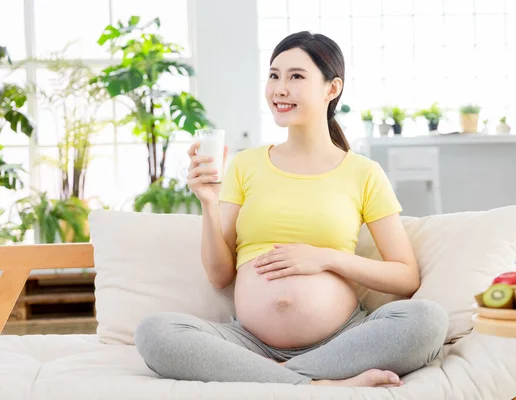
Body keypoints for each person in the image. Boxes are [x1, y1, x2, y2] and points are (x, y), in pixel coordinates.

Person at [134, 31, 448, 388]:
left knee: (428, 320)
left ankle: (274, 379)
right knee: (155, 332)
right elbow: (220, 276)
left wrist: (326, 258)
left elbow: (406, 277)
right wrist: (208, 203)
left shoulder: (363, 173)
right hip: (250, 344)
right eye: (274, 75)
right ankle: (317, 384)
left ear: (332, 88)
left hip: (343, 338)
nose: (279, 88)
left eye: (296, 76)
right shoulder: (246, 165)